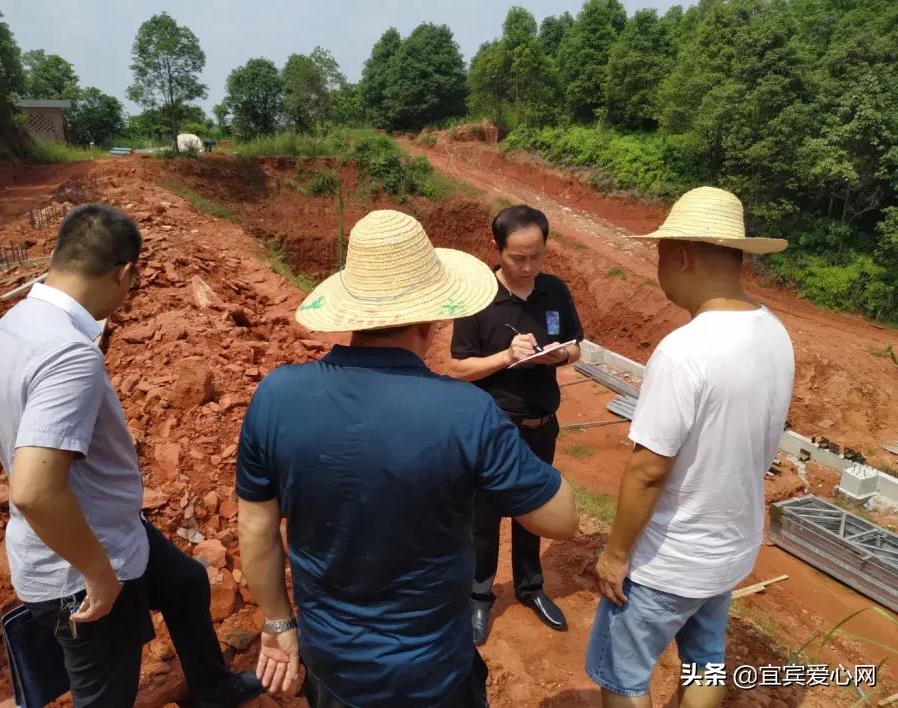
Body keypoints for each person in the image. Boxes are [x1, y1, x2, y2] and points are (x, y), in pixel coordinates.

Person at [235, 209, 579, 707]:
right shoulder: (467, 413)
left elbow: (255, 529)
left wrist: (278, 621)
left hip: (331, 668)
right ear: (434, 316)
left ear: (351, 313)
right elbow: (563, 518)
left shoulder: (275, 396)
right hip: (434, 673)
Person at [0, 204, 262, 708]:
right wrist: (100, 575)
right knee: (105, 696)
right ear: (125, 272)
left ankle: (213, 688)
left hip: (104, 529)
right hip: (81, 564)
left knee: (186, 581)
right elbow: (34, 490)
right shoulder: (69, 353)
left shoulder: (11, 324)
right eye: (134, 282)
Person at [586, 187, 795, 708]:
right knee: (705, 661)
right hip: (728, 550)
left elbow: (648, 471)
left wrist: (615, 555)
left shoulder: (685, 350)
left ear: (681, 256)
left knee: (623, 676)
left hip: (668, 559)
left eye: (660, 256)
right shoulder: (774, 332)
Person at [448, 204, 583, 645]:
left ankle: (530, 587)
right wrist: (507, 356)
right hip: (493, 428)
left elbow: (577, 346)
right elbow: (459, 367)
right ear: (497, 249)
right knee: (483, 516)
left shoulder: (555, 291)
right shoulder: (477, 297)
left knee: (533, 511)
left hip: (541, 422)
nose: (528, 267)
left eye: (537, 256)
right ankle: (479, 596)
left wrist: (558, 354)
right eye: (517, 258)